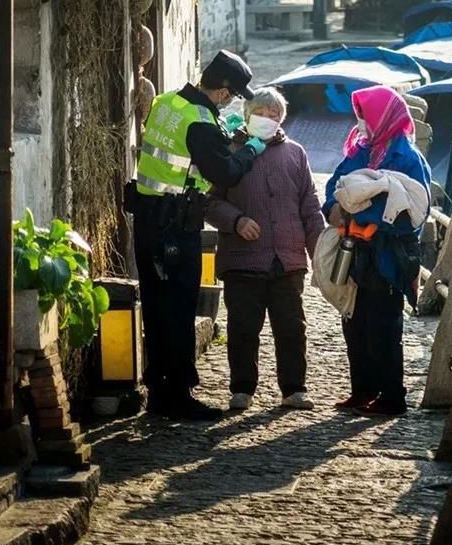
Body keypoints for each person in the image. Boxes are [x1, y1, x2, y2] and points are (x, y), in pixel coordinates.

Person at [130, 50, 265, 421]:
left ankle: (158, 390)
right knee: (178, 308)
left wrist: (225, 135)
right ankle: (177, 394)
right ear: (221, 91)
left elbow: (187, 152)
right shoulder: (202, 122)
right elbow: (224, 172)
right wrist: (251, 147)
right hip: (176, 226)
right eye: (233, 95)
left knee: (157, 308)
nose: (231, 101)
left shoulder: (167, 101)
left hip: (148, 221)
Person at [206, 87, 324, 413]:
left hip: (287, 259)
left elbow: (310, 208)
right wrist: (236, 220)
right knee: (243, 327)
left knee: (291, 327)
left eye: (274, 116)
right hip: (242, 258)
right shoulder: (228, 151)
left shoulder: (296, 154)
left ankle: (294, 388)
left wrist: (319, 254)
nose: (268, 120)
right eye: (261, 113)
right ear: (247, 115)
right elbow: (209, 201)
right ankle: (242, 388)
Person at [323, 87, 431, 417]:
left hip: (387, 258)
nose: (361, 123)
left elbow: (415, 208)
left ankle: (391, 397)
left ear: (382, 118)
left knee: (383, 327)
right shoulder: (360, 151)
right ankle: (363, 391)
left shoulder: (409, 159)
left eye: (365, 116)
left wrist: (365, 213)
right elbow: (334, 186)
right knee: (354, 324)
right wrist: (333, 208)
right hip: (355, 253)